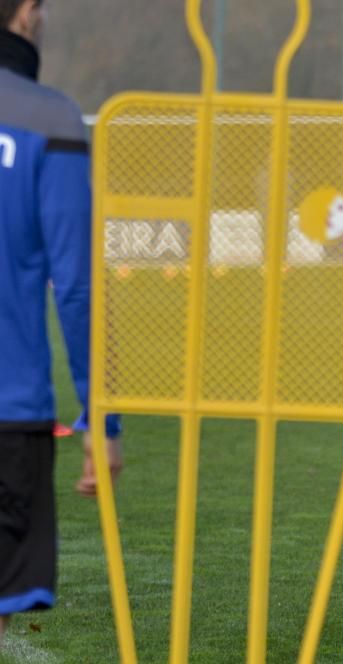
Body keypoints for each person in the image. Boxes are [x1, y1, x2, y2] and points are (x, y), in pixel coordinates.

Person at [0, 0, 121, 649]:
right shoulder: (47, 118)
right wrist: (102, 420)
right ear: (25, 15)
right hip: (9, 412)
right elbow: (77, 287)